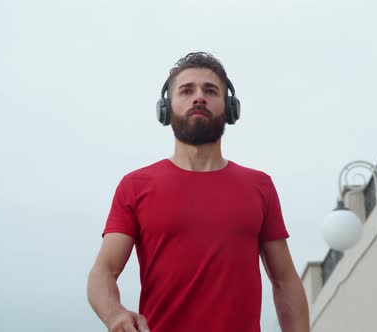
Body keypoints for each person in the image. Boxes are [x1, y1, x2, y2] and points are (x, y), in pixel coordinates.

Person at [87, 52, 309, 332]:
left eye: (210, 90)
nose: (199, 97)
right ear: (166, 109)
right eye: (187, 90)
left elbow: (284, 280)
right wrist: (114, 314)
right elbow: (103, 272)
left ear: (230, 108)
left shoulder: (260, 186)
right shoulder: (135, 186)